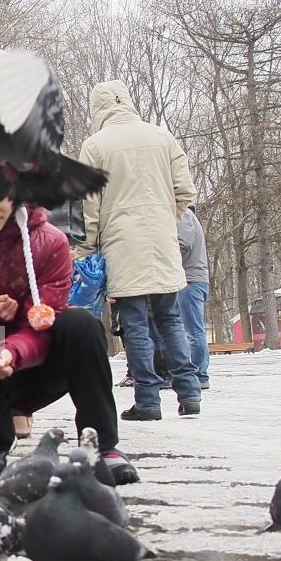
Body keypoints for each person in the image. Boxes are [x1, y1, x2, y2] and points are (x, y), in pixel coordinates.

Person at [0, 172, 138, 483]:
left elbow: (44, 319)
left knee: (81, 324)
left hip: (42, 360)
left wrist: (10, 352)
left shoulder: (50, 241)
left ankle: (101, 445)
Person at [78, 82, 203, 421]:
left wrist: (88, 246)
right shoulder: (163, 137)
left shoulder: (95, 146)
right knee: (170, 319)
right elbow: (185, 190)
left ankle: (148, 400)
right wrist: (167, 218)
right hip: (162, 240)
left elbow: (90, 204)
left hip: (121, 243)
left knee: (135, 325)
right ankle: (189, 393)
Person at [176, 205, 211, 393]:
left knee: (193, 331)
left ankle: (199, 375)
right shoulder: (188, 215)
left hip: (190, 280)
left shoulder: (183, 214)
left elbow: (182, 244)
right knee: (192, 330)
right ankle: (198, 373)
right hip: (195, 279)